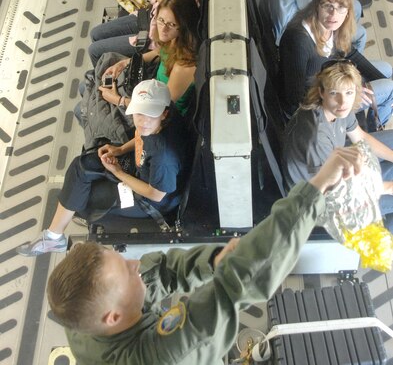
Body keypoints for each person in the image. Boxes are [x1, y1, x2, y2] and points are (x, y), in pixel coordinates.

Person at [45, 147, 364, 364]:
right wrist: (318, 186)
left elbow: (162, 271)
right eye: (126, 271)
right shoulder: (166, 353)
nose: (133, 263)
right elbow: (240, 282)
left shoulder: (82, 318)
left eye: (121, 259)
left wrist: (212, 262)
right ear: (112, 317)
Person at [17, 79, 192, 257]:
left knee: (83, 202)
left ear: (164, 113)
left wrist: (119, 173)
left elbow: (156, 194)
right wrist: (121, 149)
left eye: (150, 114)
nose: (143, 121)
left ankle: (56, 235)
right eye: (138, 113)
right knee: (81, 165)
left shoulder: (164, 156)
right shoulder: (162, 118)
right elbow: (142, 135)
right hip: (141, 167)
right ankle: (55, 238)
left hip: (150, 200)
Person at [283, 61, 393, 232]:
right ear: (322, 92)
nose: (343, 102)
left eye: (349, 93)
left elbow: (361, 137)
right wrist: (389, 187)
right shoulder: (316, 137)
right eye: (334, 93)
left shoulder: (339, 110)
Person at [279, 0, 393, 125]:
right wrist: (348, 95)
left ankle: (371, 121)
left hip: (331, 83)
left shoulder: (332, 27)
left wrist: (373, 80)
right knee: (389, 89)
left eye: (340, 7)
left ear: (347, 12)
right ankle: (372, 131)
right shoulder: (298, 39)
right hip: (316, 108)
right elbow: (295, 100)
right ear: (317, 6)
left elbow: (351, 53)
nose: (334, 14)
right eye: (327, 6)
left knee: (386, 70)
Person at [99, 0, 200, 117]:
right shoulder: (173, 40)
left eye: (172, 24)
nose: (163, 29)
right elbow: (159, 52)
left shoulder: (184, 65)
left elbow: (160, 108)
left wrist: (118, 100)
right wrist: (124, 63)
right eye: (161, 20)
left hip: (156, 117)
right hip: (149, 93)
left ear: (184, 27)